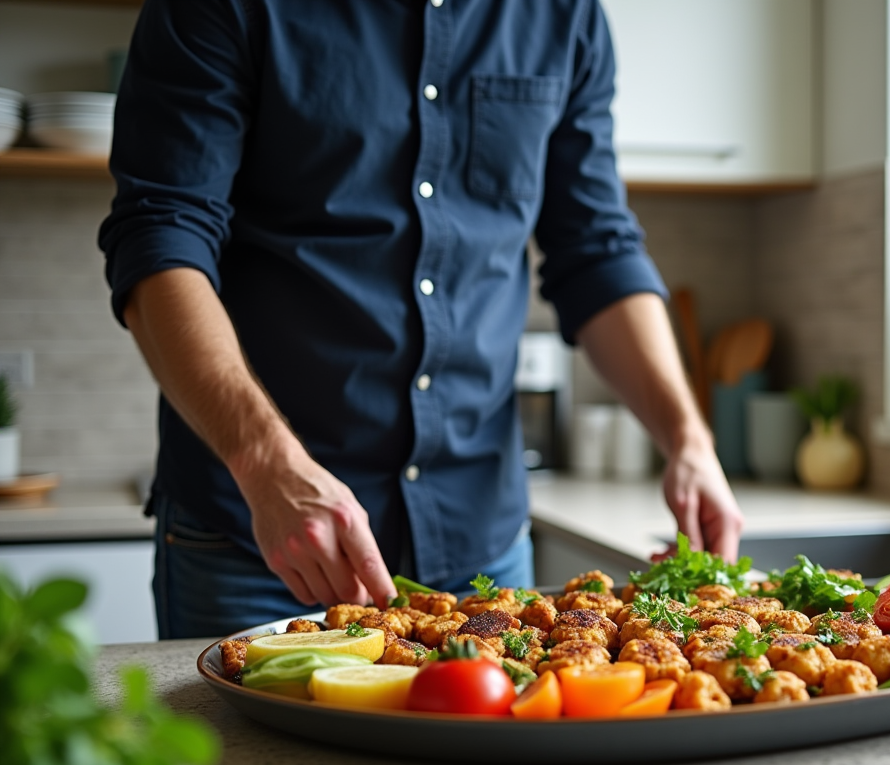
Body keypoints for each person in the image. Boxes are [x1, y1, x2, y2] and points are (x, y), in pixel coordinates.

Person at [99, 0, 744, 639]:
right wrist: (265, 461)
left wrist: (688, 439)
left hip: (482, 550)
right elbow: (162, 237)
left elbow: (596, 251)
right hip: (263, 537)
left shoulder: (563, 14)